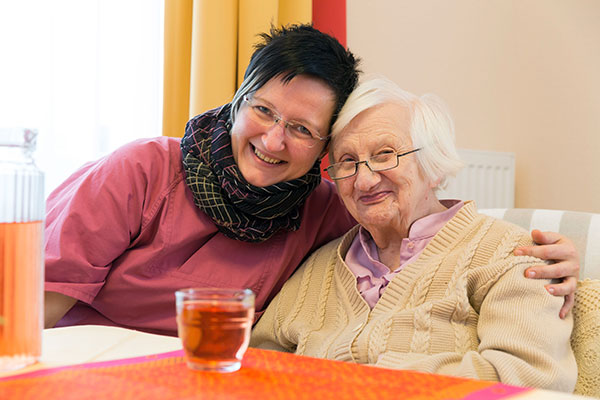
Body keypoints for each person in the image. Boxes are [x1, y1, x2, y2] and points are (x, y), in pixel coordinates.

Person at [44, 25, 578, 338]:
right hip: (90, 361)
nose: (273, 141)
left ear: (324, 148)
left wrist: (542, 253)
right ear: (237, 101)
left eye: (301, 129)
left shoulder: (325, 206)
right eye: (263, 111)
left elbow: (423, 221)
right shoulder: (142, 170)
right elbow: (38, 301)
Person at [250, 77, 577, 391]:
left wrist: (368, 383)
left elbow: (528, 380)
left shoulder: (512, 254)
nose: (364, 181)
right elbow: (255, 365)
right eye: (348, 162)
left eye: (384, 155)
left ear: (433, 164)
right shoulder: (319, 266)